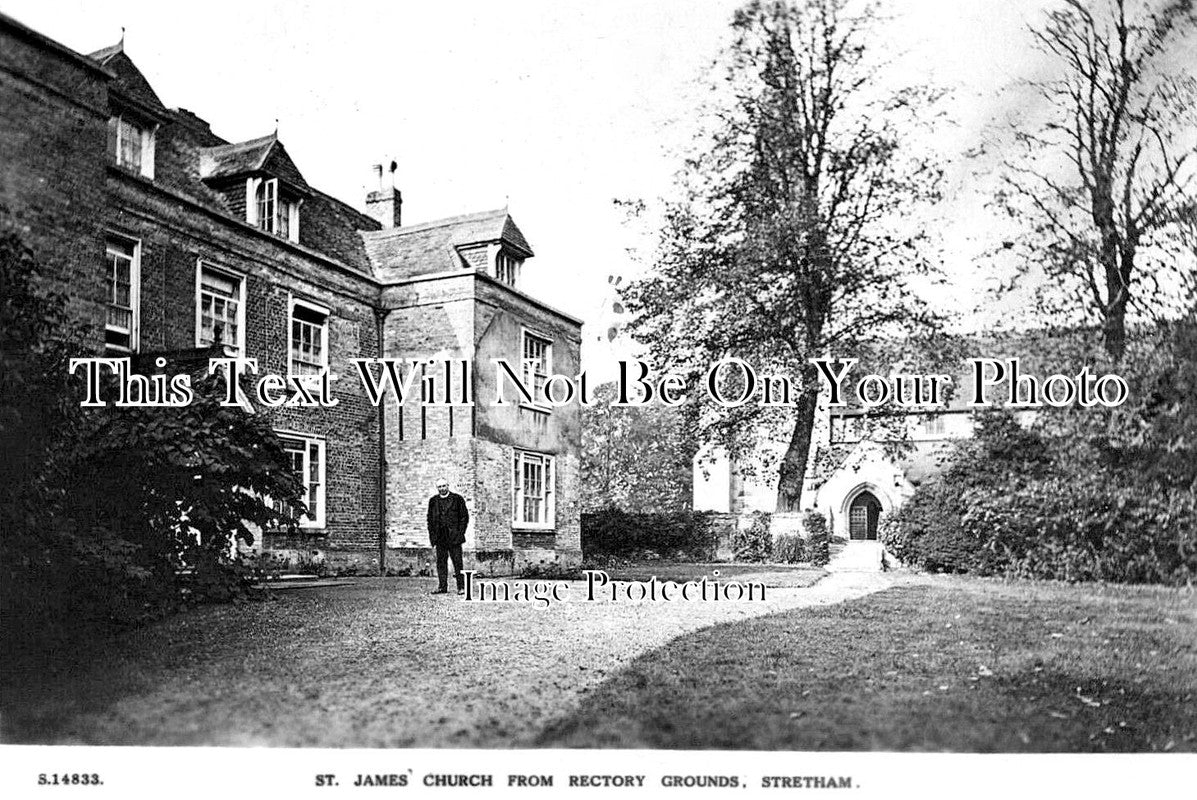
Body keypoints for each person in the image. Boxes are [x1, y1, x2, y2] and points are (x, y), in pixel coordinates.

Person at [427, 478, 469, 595]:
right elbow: (430, 520)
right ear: (437, 488)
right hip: (440, 538)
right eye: (439, 487)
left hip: (454, 538)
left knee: (457, 562)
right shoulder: (433, 501)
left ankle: (461, 587)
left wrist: (460, 533)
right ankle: (442, 587)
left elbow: (464, 517)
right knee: (441, 563)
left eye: (444, 486)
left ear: (448, 486)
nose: (442, 489)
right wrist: (432, 537)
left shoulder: (457, 499)